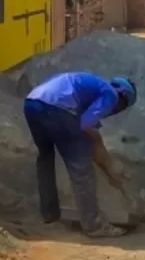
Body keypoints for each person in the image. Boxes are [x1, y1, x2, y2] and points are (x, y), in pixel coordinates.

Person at [23, 72, 138, 239]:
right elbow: (85, 126)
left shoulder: (90, 89)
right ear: (123, 98)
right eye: (122, 107)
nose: (116, 112)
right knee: (81, 167)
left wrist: (106, 162)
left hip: (32, 103)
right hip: (56, 108)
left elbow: (91, 132)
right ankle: (94, 225)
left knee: (45, 158)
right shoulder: (110, 94)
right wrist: (109, 167)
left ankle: (49, 214)